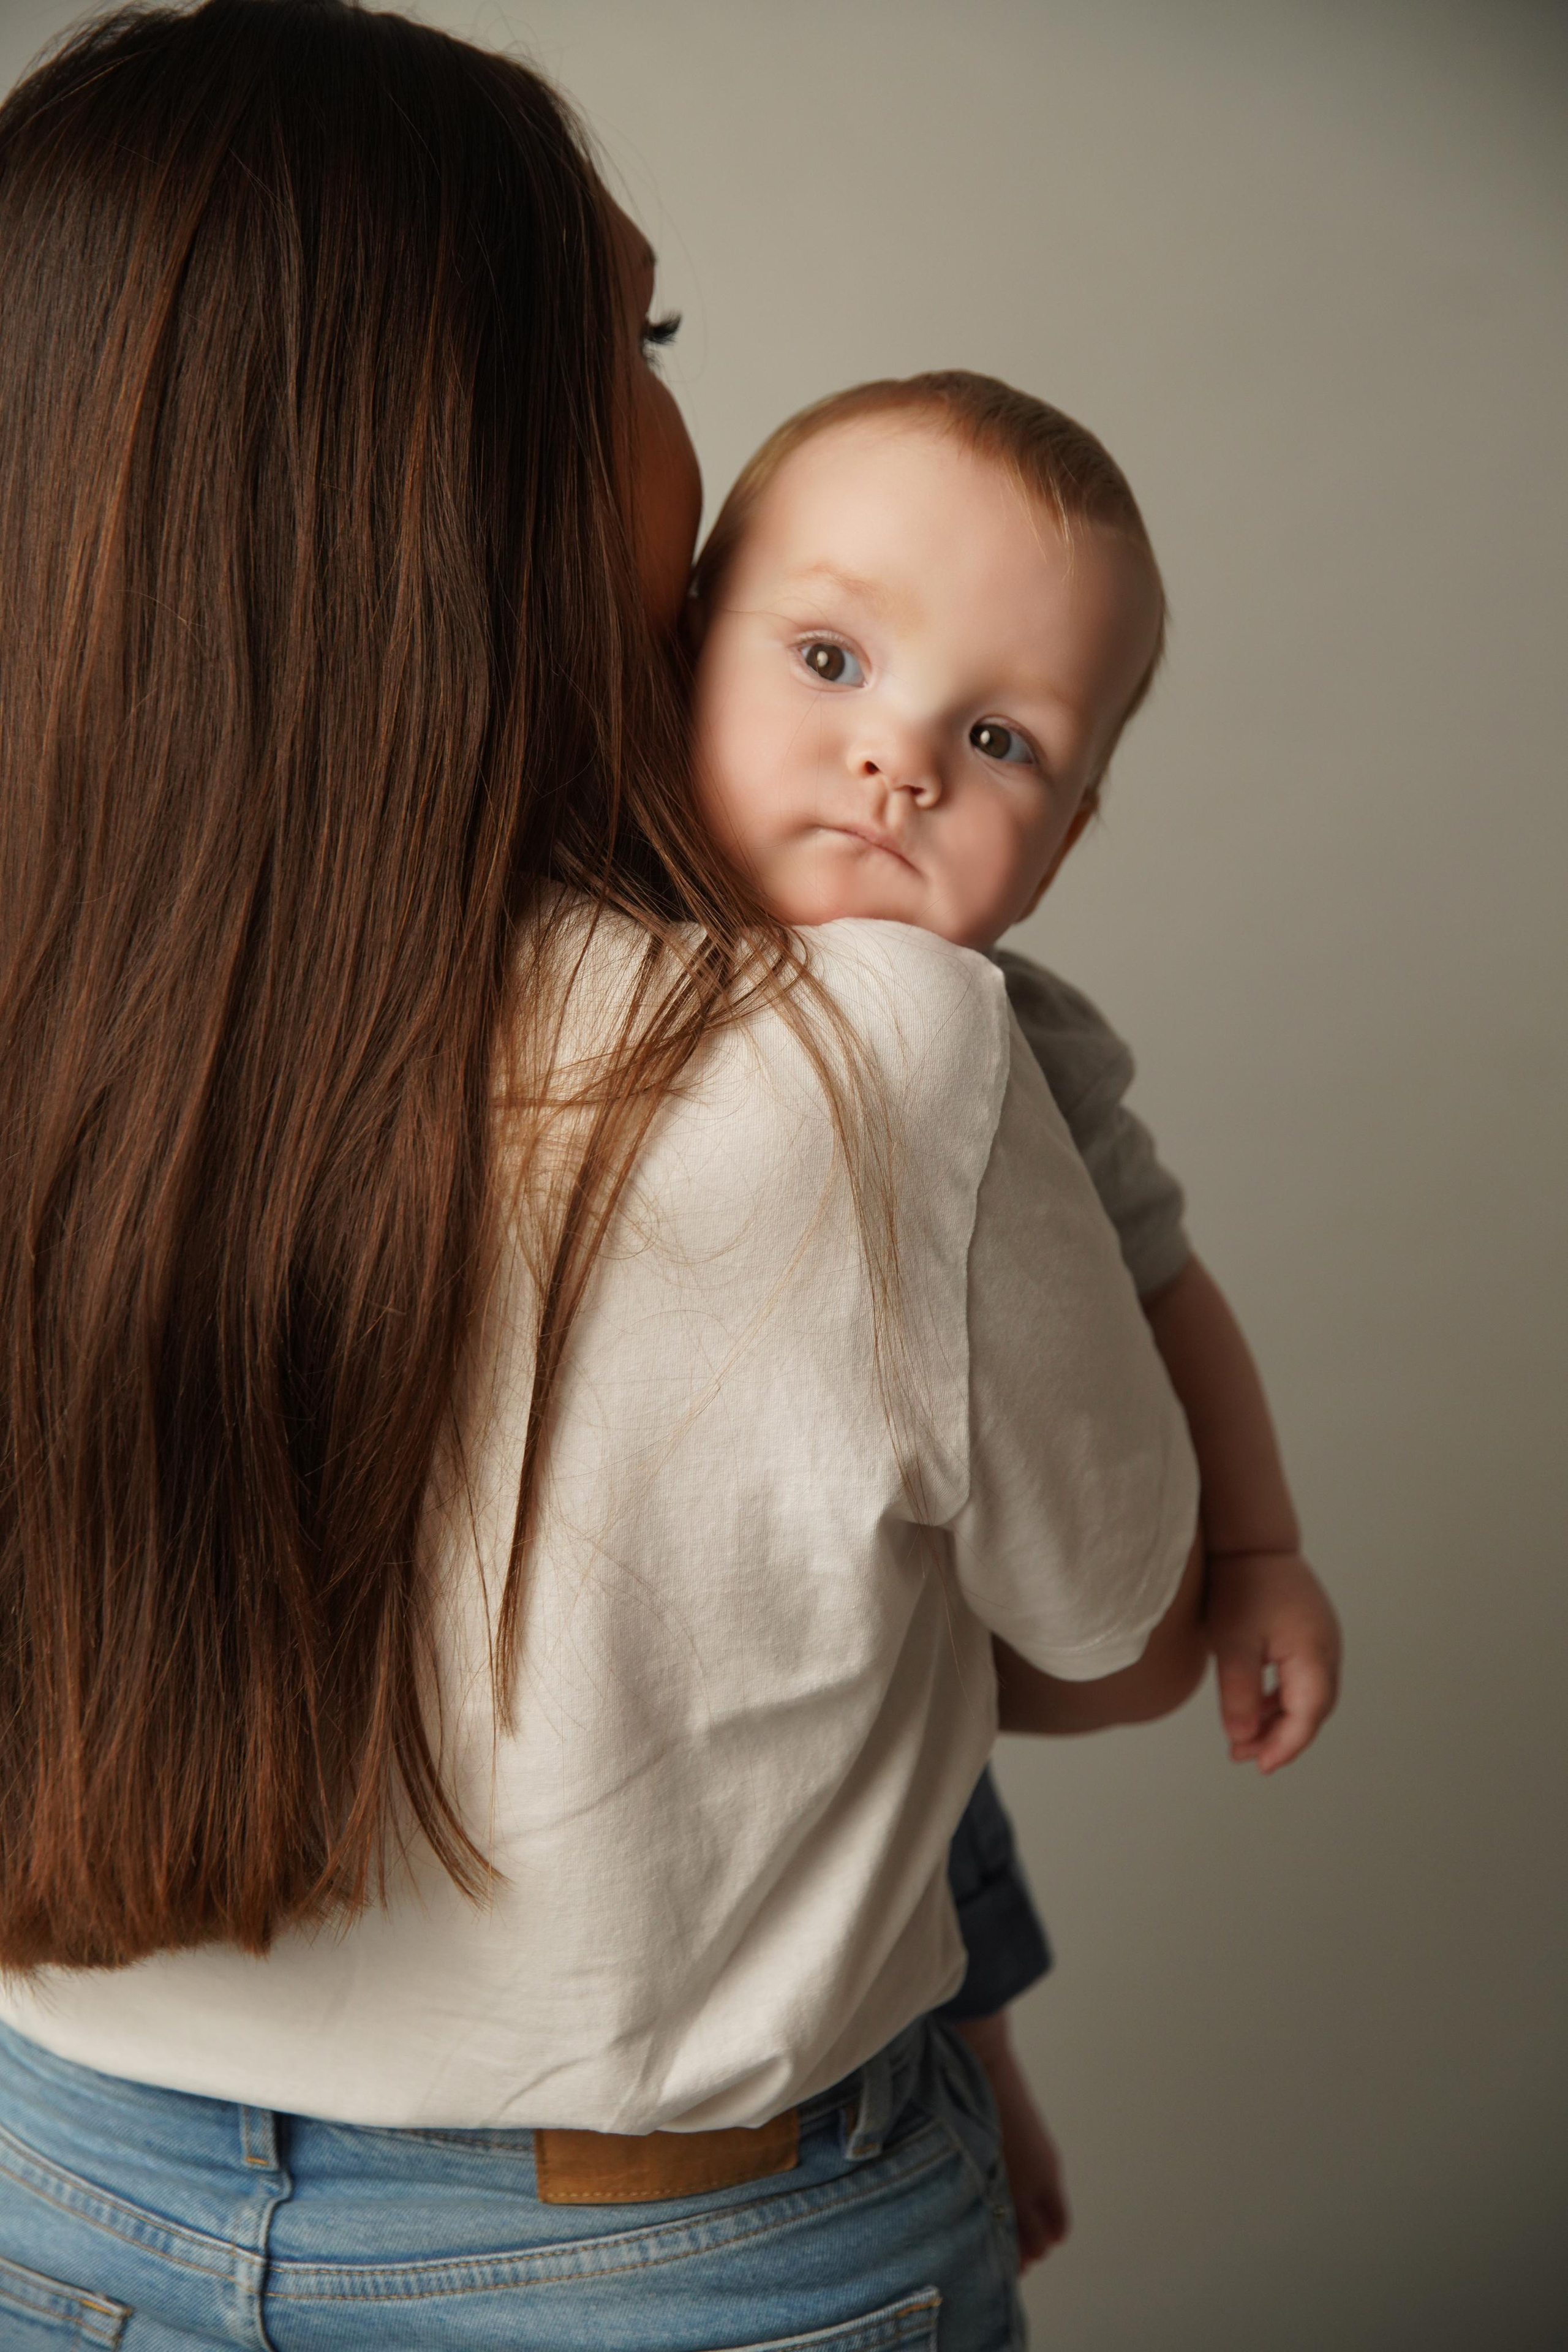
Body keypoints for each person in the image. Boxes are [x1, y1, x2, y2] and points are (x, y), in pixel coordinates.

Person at [0, 7, 1204, 2348]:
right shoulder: (879, 1056)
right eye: (636, 339)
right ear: (444, 462)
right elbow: (1121, 1646)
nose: (695, 437)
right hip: (672, 2253)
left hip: (50, 2205)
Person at [687, 373, 1344, 2264]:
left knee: (917, 1770)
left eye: (999, 737)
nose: (901, 765)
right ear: (677, 660)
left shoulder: (1014, 1050)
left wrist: (1260, 1543)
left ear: (1067, 836)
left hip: (885, 1650)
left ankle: (977, 2070)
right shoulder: (572, 930)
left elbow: (1162, 1280)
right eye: (827, 657)